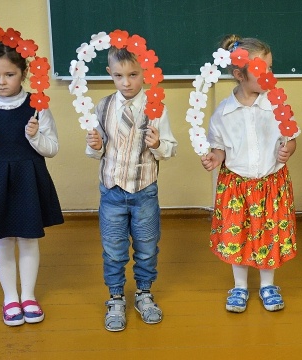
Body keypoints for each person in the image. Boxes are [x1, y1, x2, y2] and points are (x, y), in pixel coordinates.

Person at [0, 42, 64, 326]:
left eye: (9, 74)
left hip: (28, 180)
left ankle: (29, 296)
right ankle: (10, 297)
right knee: (3, 239)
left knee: (29, 238)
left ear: (23, 73)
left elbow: (52, 147)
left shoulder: (37, 107)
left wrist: (34, 137)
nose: (1, 81)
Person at [201, 35, 298, 313]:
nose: (269, 75)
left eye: (270, 68)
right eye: (261, 71)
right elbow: (220, 148)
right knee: (237, 235)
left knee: (269, 235)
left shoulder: (276, 105)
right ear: (238, 75)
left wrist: (288, 149)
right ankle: (240, 286)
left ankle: (268, 284)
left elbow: (291, 138)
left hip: (270, 184)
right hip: (237, 187)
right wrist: (214, 157)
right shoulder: (223, 113)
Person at [85, 46, 177, 331]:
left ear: (145, 73)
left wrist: (158, 145)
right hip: (111, 191)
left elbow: (170, 148)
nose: (127, 82)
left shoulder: (156, 107)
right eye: (119, 75)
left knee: (147, 247)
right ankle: (115, 297)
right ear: (110, 74)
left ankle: (144, 293)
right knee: (113, 249)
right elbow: (93, 150)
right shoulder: (102, 107)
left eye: (134, 75)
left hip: (144, 191)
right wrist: (95, 146)